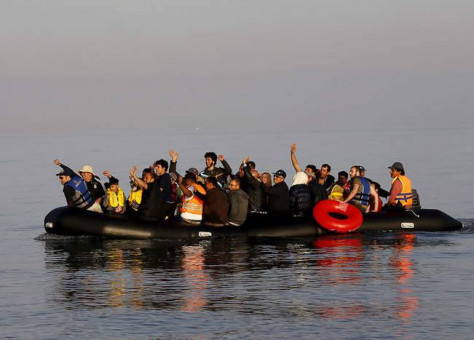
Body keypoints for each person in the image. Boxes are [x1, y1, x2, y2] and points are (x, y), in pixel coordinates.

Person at [169, 149, 207, 224]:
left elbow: (189, 193)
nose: (188, 176)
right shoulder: (200, 186)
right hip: (199, 218)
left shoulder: (195, 185)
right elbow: (173, 174)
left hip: (188, 218)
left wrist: (180, 184)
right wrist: (173, 161)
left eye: (191, 174)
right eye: (188, 174)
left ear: (196, 176)